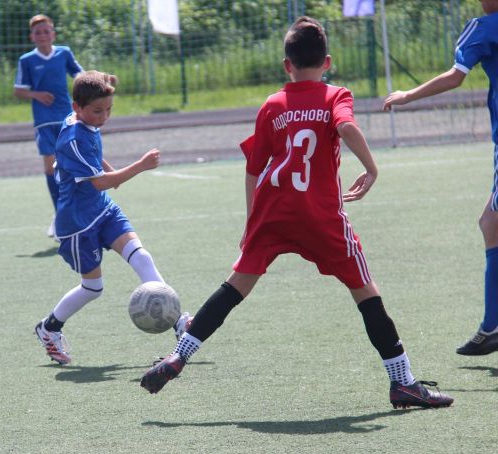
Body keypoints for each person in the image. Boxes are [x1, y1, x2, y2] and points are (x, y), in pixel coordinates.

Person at [140, 17, 453, 409]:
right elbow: (346, 128)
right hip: (320, 215)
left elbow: (254, 168)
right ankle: (402, 382)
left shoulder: (272, 105)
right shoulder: (336, 95)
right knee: (365, 292)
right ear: (328, 62)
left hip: (272, 212)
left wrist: (251, 223)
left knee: (235, 287)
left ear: (287, 65)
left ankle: (179, 354)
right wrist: (371, 168)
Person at [34, 70, 188, 364]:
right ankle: (49, 328)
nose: (104, 117)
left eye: (109, 110)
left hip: (103, 210)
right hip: (78, 224)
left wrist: (108, 168)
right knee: (93, 288)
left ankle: (179, 321)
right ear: (77, 108)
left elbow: (95, 160)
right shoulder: (73, 139)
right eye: (98, 111)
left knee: (142, 257)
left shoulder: (84, 120)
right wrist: (139, 165)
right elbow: (100, 182)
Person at [384, 0, 498, 356]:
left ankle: (493, 325)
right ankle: (491, 325)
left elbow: (455, 76)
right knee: (491, 223)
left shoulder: (483, 27)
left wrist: (408, 95)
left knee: (492, 223)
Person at [13, 14, 84, 238]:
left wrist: (100, 79)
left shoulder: (64, 53)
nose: (42, 35)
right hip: (44, 121)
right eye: (38, 32)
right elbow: (18, 91)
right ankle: (59, 215)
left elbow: (80, 75)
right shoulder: (26, 60)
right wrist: (36, 94)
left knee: (72, 163)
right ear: (31, 37)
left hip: (67, 117)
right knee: (50, 166)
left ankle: (78, 211)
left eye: (46, 31)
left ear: (53, 34)